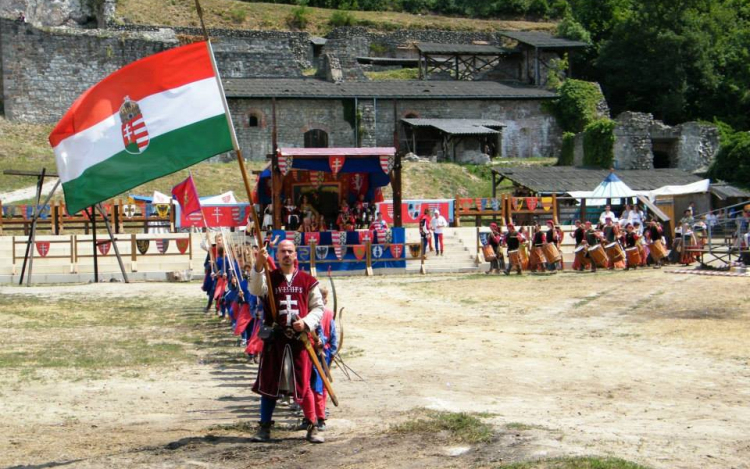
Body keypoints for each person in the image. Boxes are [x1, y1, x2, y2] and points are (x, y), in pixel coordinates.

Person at [248, 240, 326, 444]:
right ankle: (264, 427)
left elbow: (318, 308)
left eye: (290, 251)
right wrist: (258, 264)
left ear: (295, 255)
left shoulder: (308, 280)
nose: (286, 254)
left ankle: (312, 426)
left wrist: (306, 322)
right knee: (269, 383)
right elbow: (255, 290)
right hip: (275, 340)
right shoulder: (269, 278)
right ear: (277, 254)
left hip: (299, 341)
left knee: (304, 383)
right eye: (282, 251)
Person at [311, 286, 337, 431]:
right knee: (316, 385)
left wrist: (331, 353)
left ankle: (320, 417)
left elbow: (331, 336)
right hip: (313, 353)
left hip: (322, 354)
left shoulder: (326, 314)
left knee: (318, 386)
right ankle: (313, 415)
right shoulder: (312, 313)